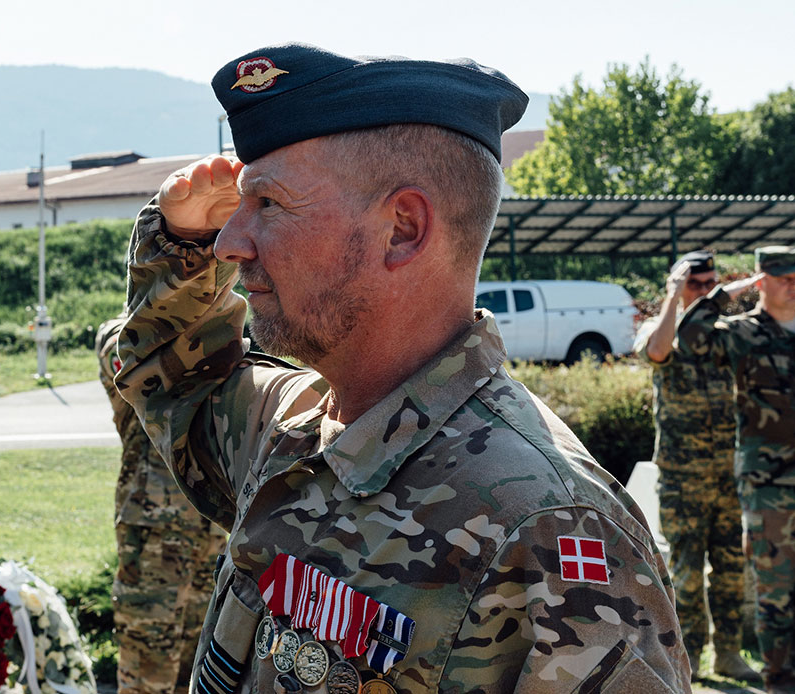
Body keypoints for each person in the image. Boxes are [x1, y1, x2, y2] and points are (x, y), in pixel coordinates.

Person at [112, 43, 688, 693]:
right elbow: (179, 380)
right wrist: (177, 240)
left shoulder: (553, 528)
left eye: (268, 205)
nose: (230, 242)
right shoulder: (293, 425)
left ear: (403, 229)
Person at [634, 250, 759, 681]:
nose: (704, 293)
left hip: (726, 473)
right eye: (696, 285)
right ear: (679, 285)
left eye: (710, 285)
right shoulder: (662, 325)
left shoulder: (722, 333)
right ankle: (686, 665)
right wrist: (674, 296)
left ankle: (729, 656)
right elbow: (658, 350)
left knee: (729, 570)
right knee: (686, 577)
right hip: (682, 478)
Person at [676, 245, 795, 694]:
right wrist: (726, 292)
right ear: (762, 282)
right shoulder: (742, 333)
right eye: (782, 277)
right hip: (769, 484)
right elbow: (690, 338)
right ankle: (781, 683)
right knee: (777, 591)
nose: (792, 285)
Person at [95, 312, 229, 694]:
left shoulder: (218, 332)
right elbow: (120, 352)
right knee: (147, 670)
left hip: (211, 530)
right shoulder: (125, 336)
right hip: (154, 534)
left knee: (202, 670)